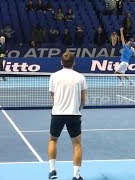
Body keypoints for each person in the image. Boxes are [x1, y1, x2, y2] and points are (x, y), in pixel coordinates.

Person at [48, 52, 87, 180]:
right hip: (74, 115)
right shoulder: (80, 77)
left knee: (53, 140)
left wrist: (58, 107)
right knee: (77, 145)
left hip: (57, 114)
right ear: (74, 63)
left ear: (61, 62)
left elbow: (53, 97)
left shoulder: (54, 76)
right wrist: (77, 109)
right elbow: (83, 100)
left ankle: (52, 170)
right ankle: (76, 176)